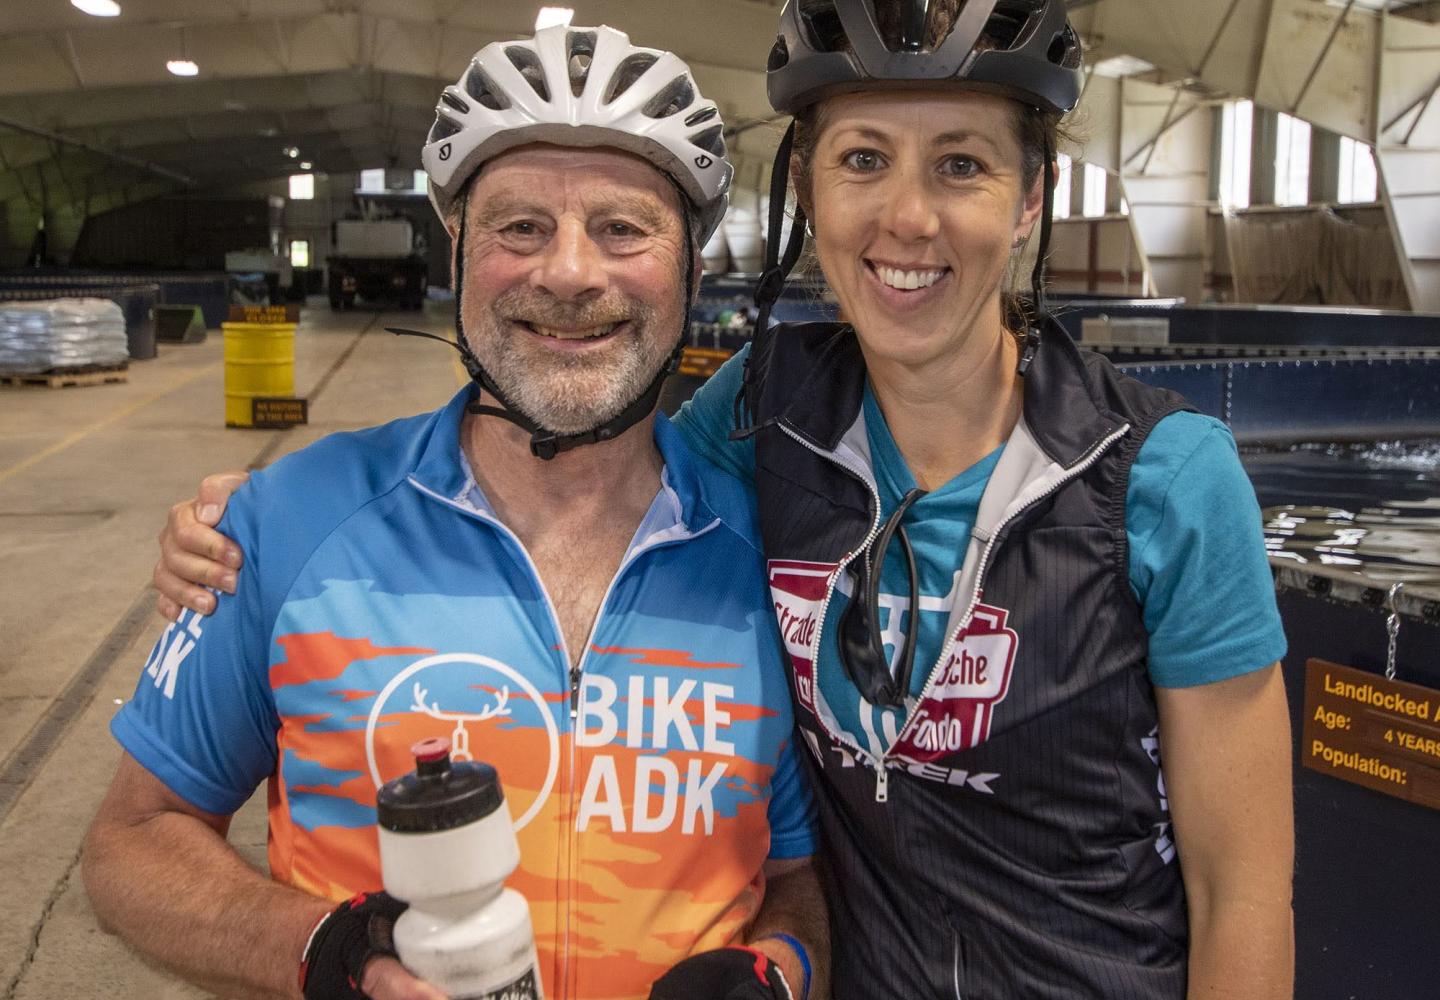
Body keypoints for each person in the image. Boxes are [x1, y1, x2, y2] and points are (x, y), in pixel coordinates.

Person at [154, 2, 1296, 997]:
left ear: (1031, 195)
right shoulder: (763, 414)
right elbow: (580, 430)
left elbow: (1242, 890)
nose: (907, 217)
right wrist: (249, 524)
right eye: (861, 161)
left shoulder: (1162, 475)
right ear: (805, 186)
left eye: (961, 164)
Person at [86, 24, 829, 1000]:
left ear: (693, 268)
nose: (568, 273)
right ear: (457, 252)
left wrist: (781, 969)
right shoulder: (289, 523)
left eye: (622, 228)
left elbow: (797, 879)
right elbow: (133, 841)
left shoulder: (770, 566)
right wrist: (321, 950)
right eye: (521, 227)